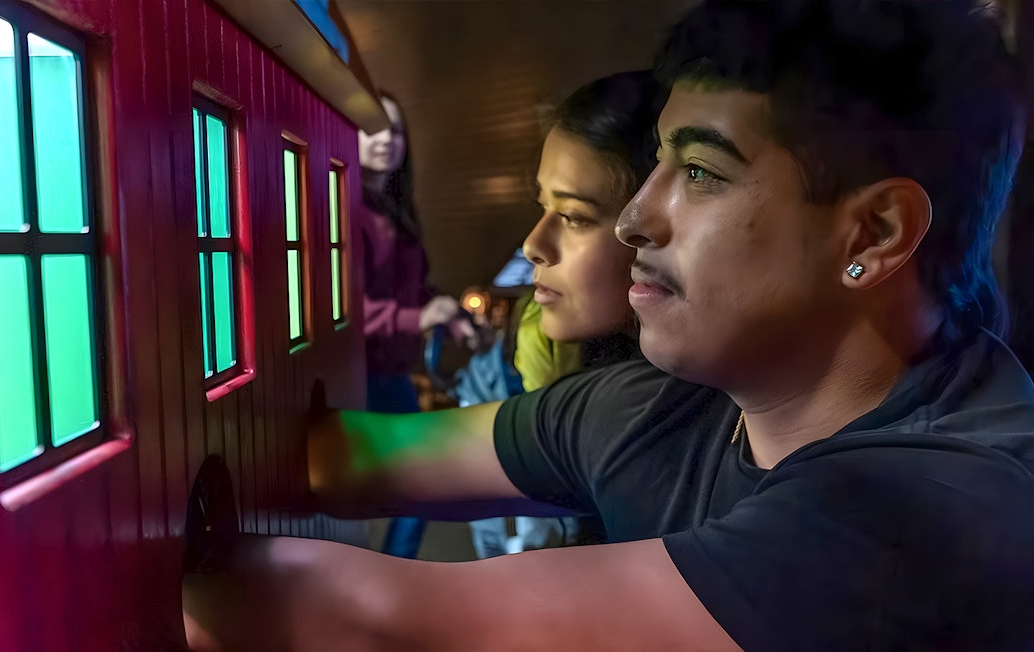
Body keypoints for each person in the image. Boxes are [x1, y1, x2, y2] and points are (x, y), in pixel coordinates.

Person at [183, 1, 1034, 649]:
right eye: (656, 162)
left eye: (698, 171)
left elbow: (365, 620)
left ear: (872, 234)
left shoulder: (943, 511)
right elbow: (345, 458)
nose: (634, 218)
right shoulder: (662, 406)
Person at [469, 71, 661, 558]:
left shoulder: (648, 406)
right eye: (542, 206)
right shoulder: (579, 362)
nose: (533, 245)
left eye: (574, 216)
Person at [357, 91, 469, 558]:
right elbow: (339, 308)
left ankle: (394, 574)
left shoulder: (397, 212)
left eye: (396, 129)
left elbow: (416, 288)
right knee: (380, 493)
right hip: (354, 379)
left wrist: (456, 319)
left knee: (427, 486)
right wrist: (418, 317)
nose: (386, 138)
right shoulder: (341, 208)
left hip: (392, 376)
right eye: (374, 126)